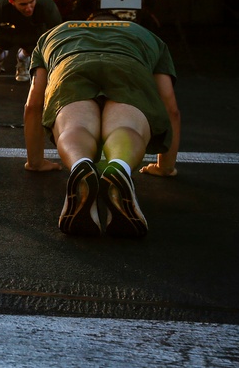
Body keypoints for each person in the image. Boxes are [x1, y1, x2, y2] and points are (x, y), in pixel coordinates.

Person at [23, 21, 181, 238]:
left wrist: (36, 162)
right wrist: (165, 167)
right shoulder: (147, 35)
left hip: (71, 65)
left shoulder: (52, 34)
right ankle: (119, 167)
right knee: (126, 127)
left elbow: (32, 106)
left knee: (75, 126)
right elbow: (171, 107)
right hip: (128, 65)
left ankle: (80, 164)